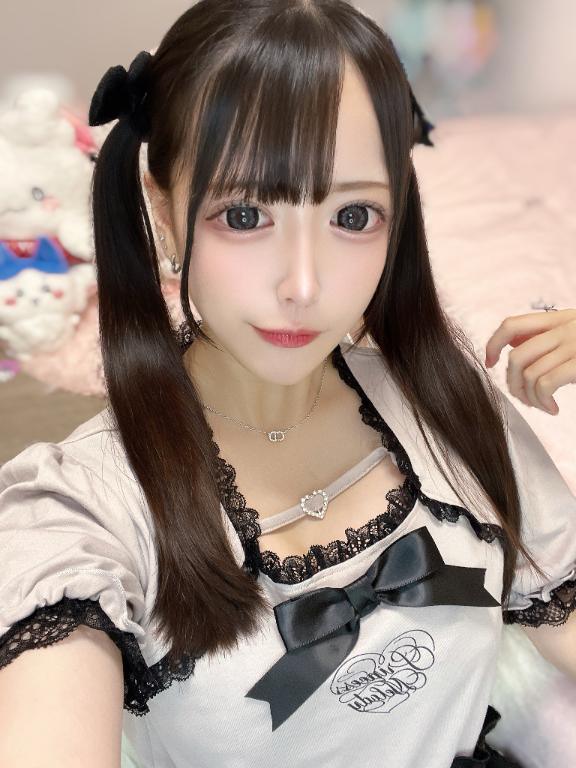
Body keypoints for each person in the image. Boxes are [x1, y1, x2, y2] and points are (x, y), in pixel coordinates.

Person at [1, 1, 575, 766]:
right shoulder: (81, 510)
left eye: (354, 215)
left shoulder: (447, 404)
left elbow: (559, 606)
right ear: (164, 212)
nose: (304, 285)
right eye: (244, 215)